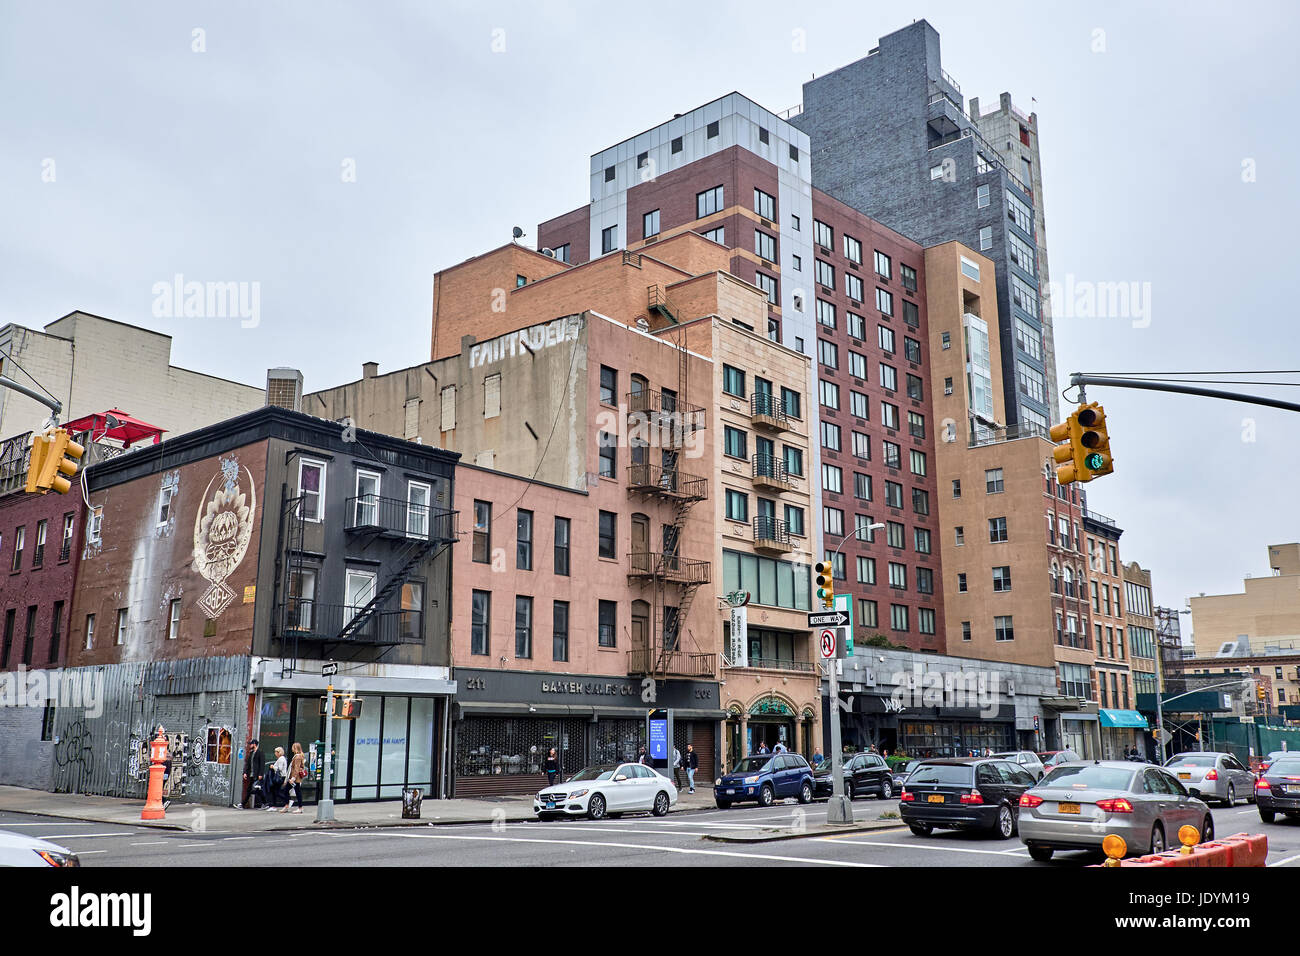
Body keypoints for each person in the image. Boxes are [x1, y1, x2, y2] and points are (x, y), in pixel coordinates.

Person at [281, 742, 306, 813]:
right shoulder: (297, 756)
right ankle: (291, 806)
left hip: (295, 778)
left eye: (293, 747)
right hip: (295, 778)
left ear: (295, 748)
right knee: (295, 791)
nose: (291, 748)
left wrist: (293, 778)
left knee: (288, 791)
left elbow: (296, 768)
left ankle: (293, 807)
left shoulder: (297, 757)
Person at [241, 738, 265, 809]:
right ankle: (243, 804)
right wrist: (245, 772)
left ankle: (265, 803)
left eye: (251, 744)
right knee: (251, 789)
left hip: (257, 775)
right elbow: (248, 764)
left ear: (254, 744)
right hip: (251, 774)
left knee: (257, 789)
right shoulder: (251, 753)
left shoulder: (260, 752)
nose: (250, 745)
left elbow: (262, 764)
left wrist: (261, 774)